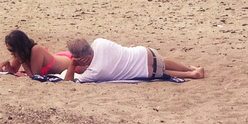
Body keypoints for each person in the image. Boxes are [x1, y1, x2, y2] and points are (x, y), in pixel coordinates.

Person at [63, 37, 204, 82]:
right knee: (161, 62)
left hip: (147, 71)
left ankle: (192, 74)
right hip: (145, 52)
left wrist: (72, 64)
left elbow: (69, 83)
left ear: (82, 58)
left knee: (163, 72)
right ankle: (190, 68)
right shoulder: (99, 42)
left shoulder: (94, 72)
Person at [0, 29, 71, 77]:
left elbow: (34, 76)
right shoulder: (21, 52)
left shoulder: (36, 50)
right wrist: (7, 65)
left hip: (69, 62)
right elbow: (14, 70)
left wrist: (22, 60)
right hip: (60, 59)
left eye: (12, 50)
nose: (12, 53)